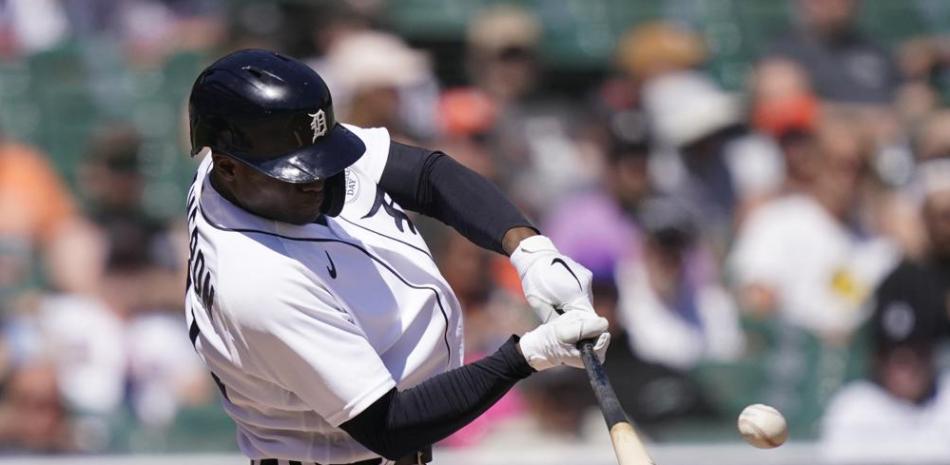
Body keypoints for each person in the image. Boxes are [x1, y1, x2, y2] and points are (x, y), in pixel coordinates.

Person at [184, 49, 610, 465]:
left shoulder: (242, 166)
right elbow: (390, 424)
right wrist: (530, 353)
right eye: (300, 170)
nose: (318, 179)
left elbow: (428, 176)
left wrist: (529, 250)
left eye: (321, 159)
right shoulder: (257, 284)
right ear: (227, 167)